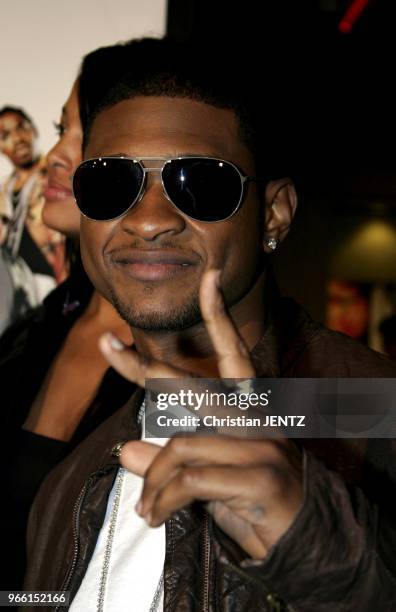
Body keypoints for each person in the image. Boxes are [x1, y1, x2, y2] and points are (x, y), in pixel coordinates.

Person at [24, 38, 396, 611]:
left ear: (273, 214)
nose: (147, 221)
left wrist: (325, 562)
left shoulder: (377, 413)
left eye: (200, 182)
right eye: (110, 182)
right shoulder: (68, 485)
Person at [0, 44, 138, 589]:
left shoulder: (202, 348)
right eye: (61, 129)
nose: (56, 154)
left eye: (84, 137)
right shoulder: (48, 319)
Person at [0, 106, 66, 332]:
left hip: (56, 292)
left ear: (34, 130)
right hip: (20, 300)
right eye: (5, 135)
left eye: (21, 127)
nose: (17, 139)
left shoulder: (57, 176)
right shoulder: (4, 192)